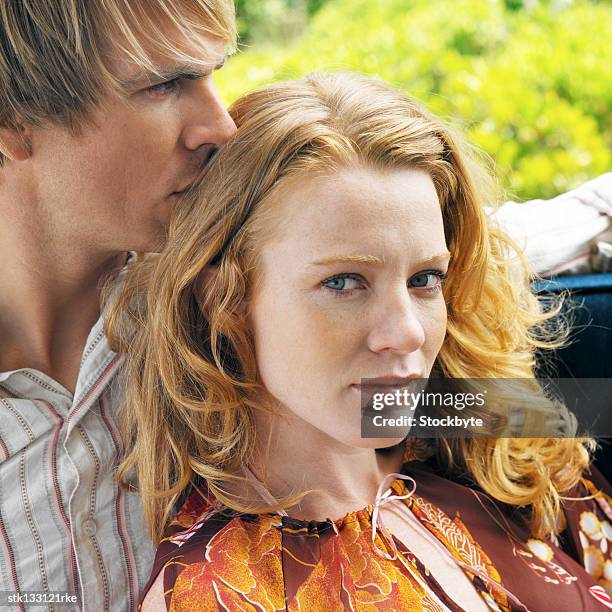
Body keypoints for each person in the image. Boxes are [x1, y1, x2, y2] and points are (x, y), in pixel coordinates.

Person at [108, 72, 612, 611]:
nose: (408, 332)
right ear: (224, 299)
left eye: (424, 279)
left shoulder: (475, 431)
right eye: (343, 283)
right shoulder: (225, 590)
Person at [0, 1, 236, 609]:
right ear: (12, 120)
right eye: (164, 84)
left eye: (212, 74)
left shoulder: (230, 303)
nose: (219, 126)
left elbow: (465, 416)